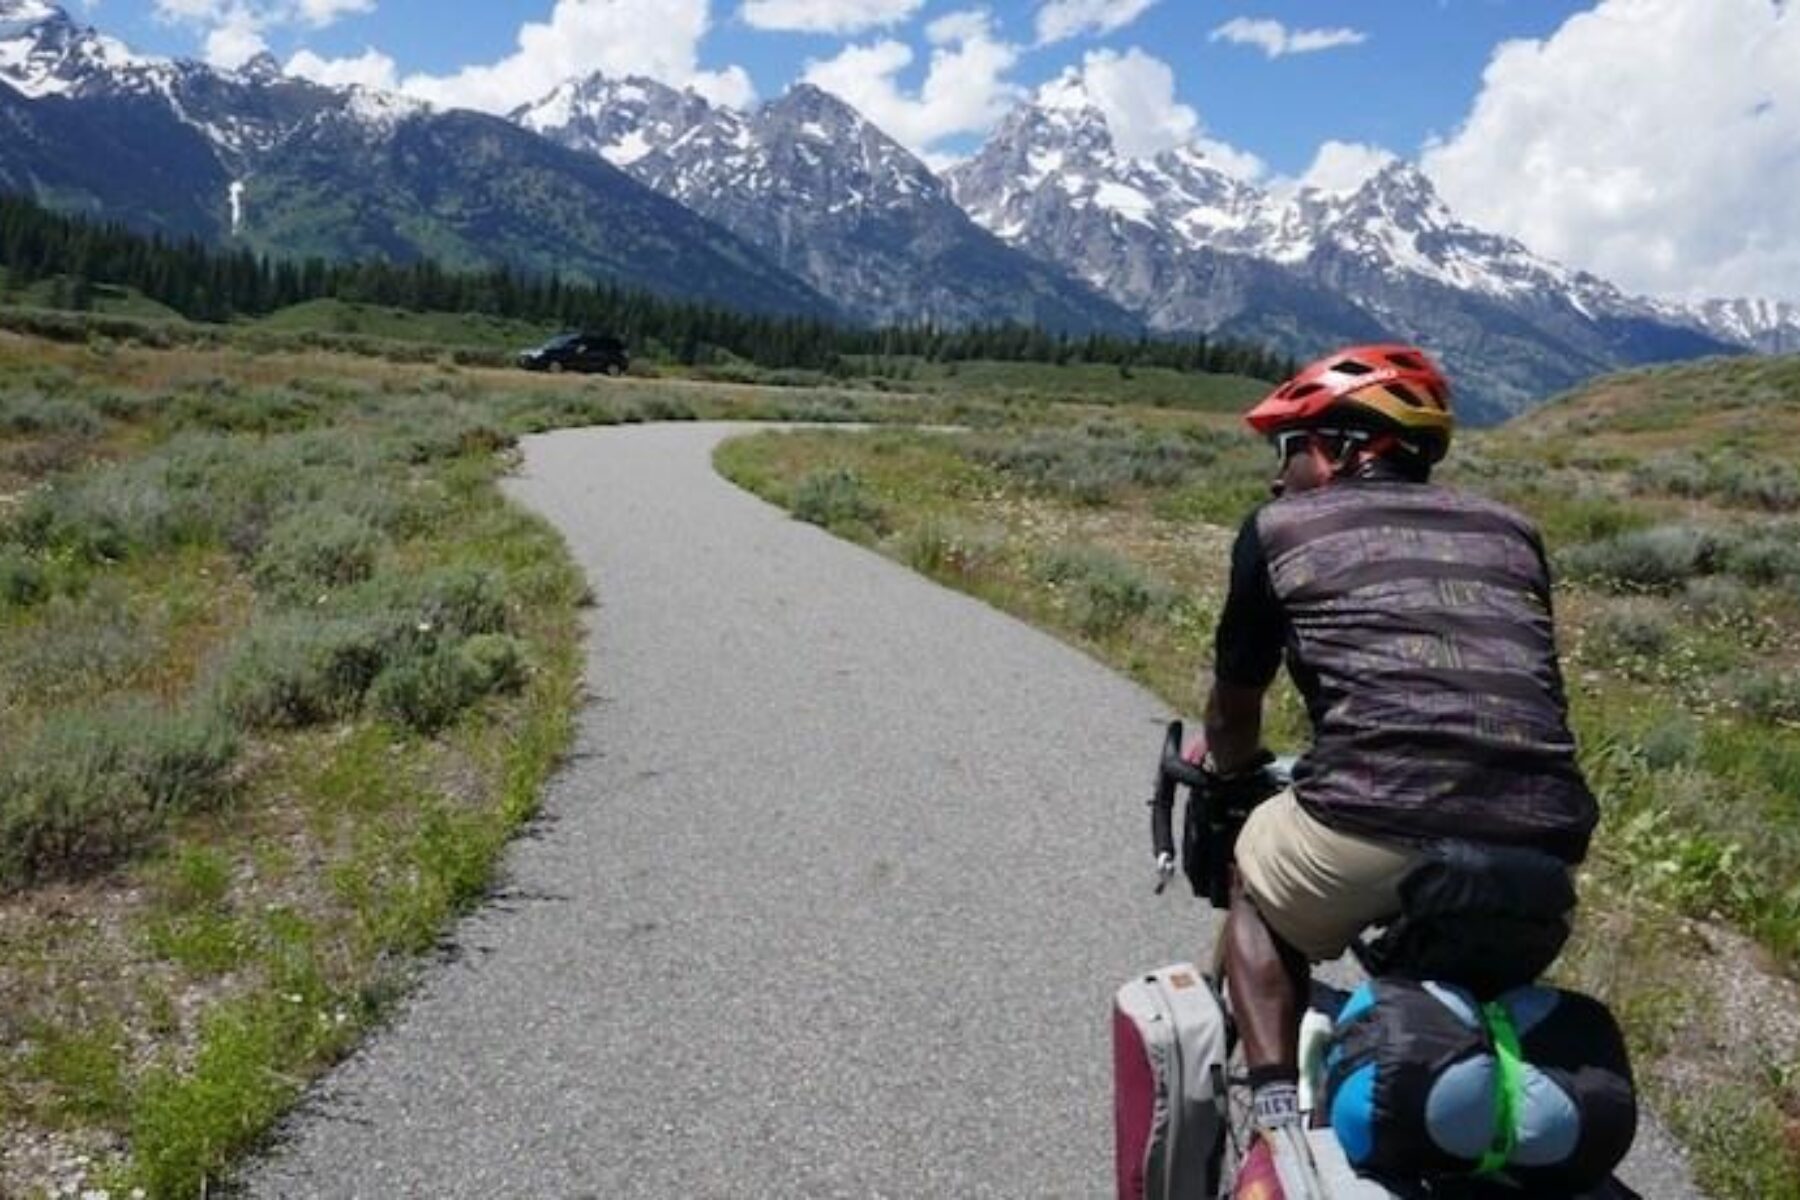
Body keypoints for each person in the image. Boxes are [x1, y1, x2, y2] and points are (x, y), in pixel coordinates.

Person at [1198, 344, 1598, 1136]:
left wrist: (1236, 773)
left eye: (1292, 450)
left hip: (1373, 820)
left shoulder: (1278, 529)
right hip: (1543, 843)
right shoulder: (1515, 531)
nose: (1279, 478)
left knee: (1257, 875)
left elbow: (1235, 705)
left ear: (1351, 450)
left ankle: (1275, 1115)